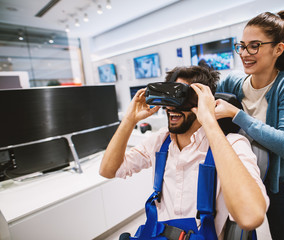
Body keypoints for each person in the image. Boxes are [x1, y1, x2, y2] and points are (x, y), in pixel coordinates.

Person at [100, 65, 269, 239]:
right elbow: (108, 170)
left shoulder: (232, 144)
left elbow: (251, 216)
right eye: (169, 98)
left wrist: (209, 121)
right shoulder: (160, 141)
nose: (172, 108)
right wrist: (129, 118)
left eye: (182, 97)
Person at [216, 11, 284, 240]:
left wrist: (237, 115)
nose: (244, 53)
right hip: (241, 180)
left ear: (278, 49)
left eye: (254, 46)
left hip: (279, 186)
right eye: (241, 46)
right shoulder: (232, 82)